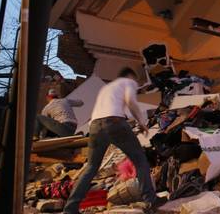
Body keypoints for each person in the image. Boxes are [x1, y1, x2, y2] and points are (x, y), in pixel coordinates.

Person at [64, 68, 156, 214]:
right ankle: (150, 201)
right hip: (114, 122)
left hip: (94, 126)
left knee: (91, 167)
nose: (136, 82)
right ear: (130, 76)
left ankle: (70, 208)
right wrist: (142, 123)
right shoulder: (128, 82)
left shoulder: (106, 88)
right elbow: (131, 101)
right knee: (140, 161)